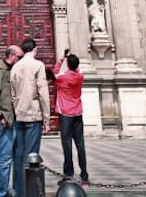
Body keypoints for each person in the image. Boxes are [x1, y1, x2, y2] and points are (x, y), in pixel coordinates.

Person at [10, 38, 50, 195]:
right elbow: (43, 93)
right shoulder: (38, 65)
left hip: (19, 115)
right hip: (33, 115)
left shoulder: (15, 66)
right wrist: (46, 118)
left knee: (19, 154)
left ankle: (19, 190)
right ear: (35, 49)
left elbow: (13, 93)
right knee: (32, 154)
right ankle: (30, 191)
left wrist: (17, 109)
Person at [0, 45, 24, 197]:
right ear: (12, 56)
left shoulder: (12, 70)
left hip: (16, 120)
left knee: (16, 157)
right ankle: (2, 192)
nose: (20, 60)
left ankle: (15, 189)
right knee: (5, 158)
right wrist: (0, 115)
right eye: (19, 57)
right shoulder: (0, 71)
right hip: (7, 121)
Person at [54, 50, 89, 187]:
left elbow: (54, 72)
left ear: (68, 65)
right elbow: (77, 69)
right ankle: (84, 176)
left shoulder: (63, 77)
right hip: (77, 114)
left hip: (65, 115)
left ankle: (69, 175)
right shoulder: (80, 76)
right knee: (80, 145)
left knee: (67, 146)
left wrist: (61, 58)